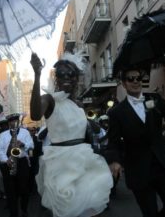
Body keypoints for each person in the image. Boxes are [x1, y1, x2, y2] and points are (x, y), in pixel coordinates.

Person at [30, 52, 113, 217]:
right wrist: (37, 75)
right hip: (60, 164)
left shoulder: (79, 105)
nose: (67, 77)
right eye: (62, 73)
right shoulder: (50, 99)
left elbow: (88, 132)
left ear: (77, 79)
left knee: (87, 208)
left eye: (71, 74)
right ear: (56, 78)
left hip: (84, 161)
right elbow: (34, 115)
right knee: (67, 209)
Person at [106, 65, 165, 217]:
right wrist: (114, 161)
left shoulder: (154, 99)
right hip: (139, 171)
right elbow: (113, 142)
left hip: (162, 165)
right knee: (149, 213)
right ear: (123, 83)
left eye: (139, 78)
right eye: (131, 78)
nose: (136, 81)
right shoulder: (116, 112)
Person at [0, 113, 34, 217]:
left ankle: (24, 209)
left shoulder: (25, 132)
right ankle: (13, 213)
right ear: (8, 123)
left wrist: (23, 144)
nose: (13, 123)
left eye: (15, 121)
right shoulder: (3, 135)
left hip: (22, 163)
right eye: (11, 121)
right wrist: (5, 160)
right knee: (10, 190)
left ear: (18, 121)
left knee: (23, 189)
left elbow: (32, 145)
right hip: (9, 163)